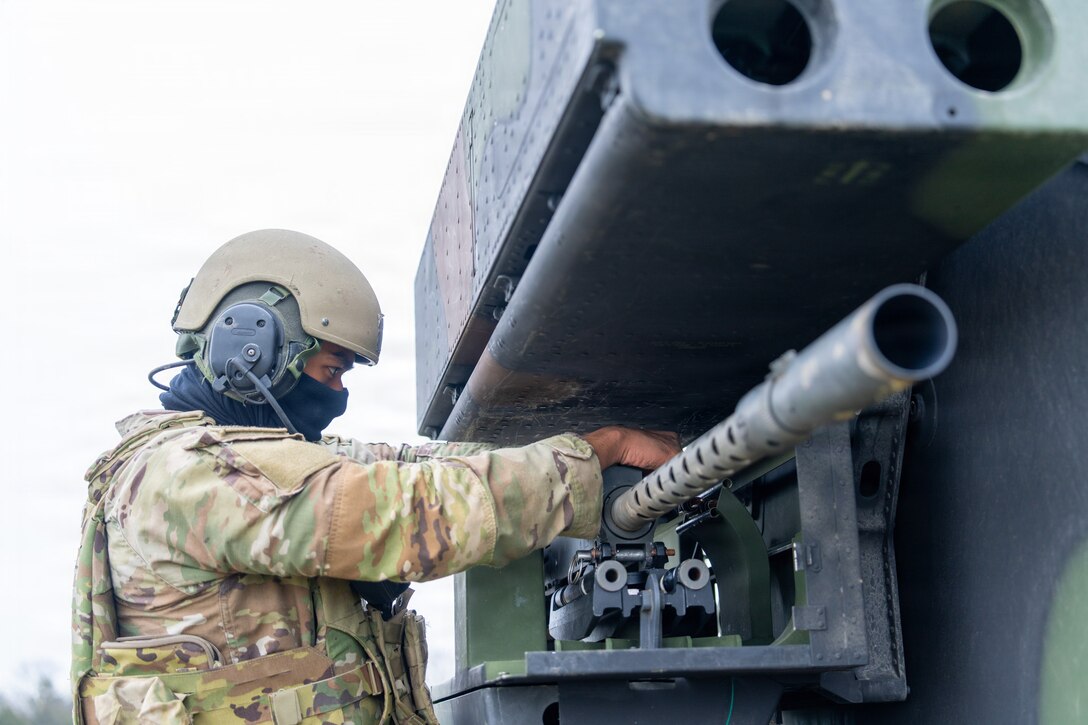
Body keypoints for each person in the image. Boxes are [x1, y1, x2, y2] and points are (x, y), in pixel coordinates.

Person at [71, 229, 680, 724]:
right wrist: (596, 452)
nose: (336, 395)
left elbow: (415, 467)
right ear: (253, 347)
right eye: (332, 369)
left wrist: (577, 452)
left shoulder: (257, 459)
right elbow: (402, 512)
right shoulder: (185, 475)